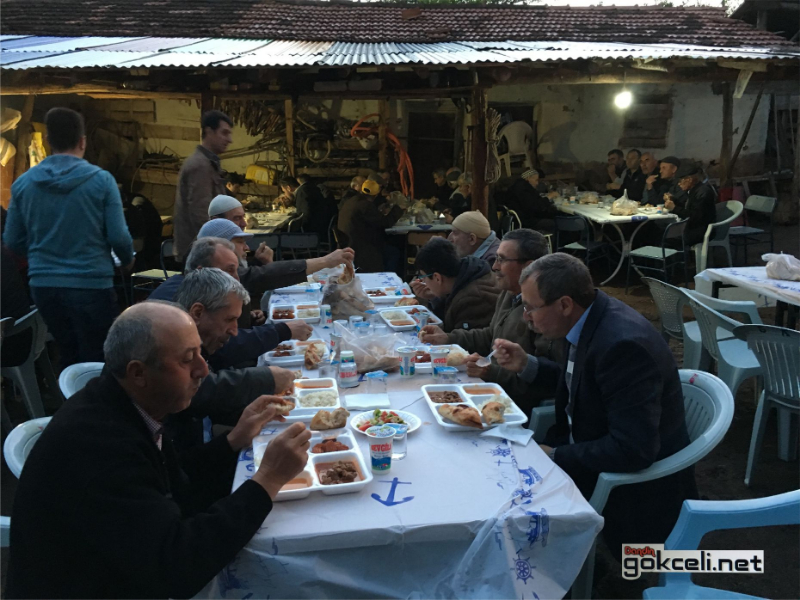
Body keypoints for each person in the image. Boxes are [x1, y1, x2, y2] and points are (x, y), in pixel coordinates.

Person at [5, 301, 310, 599]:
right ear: (138, 373)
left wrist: (232, 441)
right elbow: (176, 567)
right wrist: (267, 481)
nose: (203, 370)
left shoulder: (125, 406)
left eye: (200, 354)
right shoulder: (99, 447)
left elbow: (173, 484)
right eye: (187, 359)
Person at [493, 253, 697, 555]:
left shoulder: (623, 347)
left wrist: (555, 455)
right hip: (584, 450)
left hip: (629, 492)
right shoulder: (585, 320)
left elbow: (633, 449)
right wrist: (527, 364)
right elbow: (582, 384)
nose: (526, 317)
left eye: (531, 307)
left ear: (564, 304)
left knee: (499, 508)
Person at [4, 107, 135, 368]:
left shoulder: (23, 184)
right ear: (82, 141)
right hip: (91, 284)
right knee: (100, 358)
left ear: (48, 141)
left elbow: (13, 241)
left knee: (67, 352)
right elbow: (119, 237)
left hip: (44, 287)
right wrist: (127, 261)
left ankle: (68, 392)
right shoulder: (102, 181)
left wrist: (42, 255)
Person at [418, 229, 557, 408]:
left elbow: (544, 381)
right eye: (496, 258)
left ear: (528, 267)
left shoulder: (545, 310)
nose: (494, 267)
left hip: (510, 405)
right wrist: (448, 338)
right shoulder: (509, 293)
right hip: (491, 391)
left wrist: (491, 372)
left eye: (502, 260)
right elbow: (490, 335)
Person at [170, 268, 297, 455]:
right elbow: (204, 392)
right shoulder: (168, 342)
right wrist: (265, 378)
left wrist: (235, 437)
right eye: (229, 319)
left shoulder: (196, 337)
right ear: (197, 313)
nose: (235, 331)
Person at [148, 237, 312, 371]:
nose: (237, 279)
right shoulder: (177, 307)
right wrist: (280, 332)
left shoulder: (190, 287)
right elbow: (223, 353)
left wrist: (250, 320)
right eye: (229, 271)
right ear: (203, 271)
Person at [173, 110, 232, 261]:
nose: (229, 140)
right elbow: (201, 213)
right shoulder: (200, 165)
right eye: (224, 133)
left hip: (203, 249)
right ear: (209, 131)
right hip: (201, 253)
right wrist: (218, 247)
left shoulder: (208, 163)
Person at [410, 237, 499, 332]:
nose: (423, 281)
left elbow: (460, 338)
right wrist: (435, 298)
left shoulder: (472, 299)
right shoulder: (463, 276)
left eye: (423, 277)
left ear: (437, 278)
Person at [337, 179, 403, 273]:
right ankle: (388, 278)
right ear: (375, 195)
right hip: (360, 246)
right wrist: (398, 208)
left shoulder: (352, 200)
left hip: (350, 241)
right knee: (394, 252)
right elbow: (385, 223)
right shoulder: (365, 205)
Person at [665, 163, 717, 247]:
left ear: (689, 179)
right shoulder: (695, 190)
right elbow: (689, 208)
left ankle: (679, 255)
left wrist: (674, 208)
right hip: (693, 228)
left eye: (680, 181)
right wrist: (674, 200)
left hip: (701, 231)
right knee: (661, 233)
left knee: (664, 239)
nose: (678, 184)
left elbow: (694, 217)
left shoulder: (703, 192)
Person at [296, 174, 336, 240]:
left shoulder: (303, 190)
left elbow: (306, 212)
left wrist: (300, 224)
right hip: (322, 222)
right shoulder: (315, 188)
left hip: (314, 227)